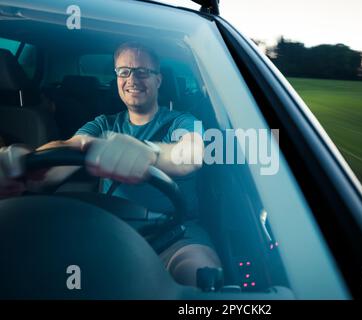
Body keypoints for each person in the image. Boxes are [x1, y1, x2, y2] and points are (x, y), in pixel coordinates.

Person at [0, 41, 221, 287]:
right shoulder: (103, 124)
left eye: (142, 71)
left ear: (158, 80)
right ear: (116, 78)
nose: (132, 79)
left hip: (175, 233)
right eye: (124, 72)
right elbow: (71, 147)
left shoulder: (183, 121)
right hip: (110, 231)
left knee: (199, 272)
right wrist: (25, 164)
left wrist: (149, 152)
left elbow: (190, 154)